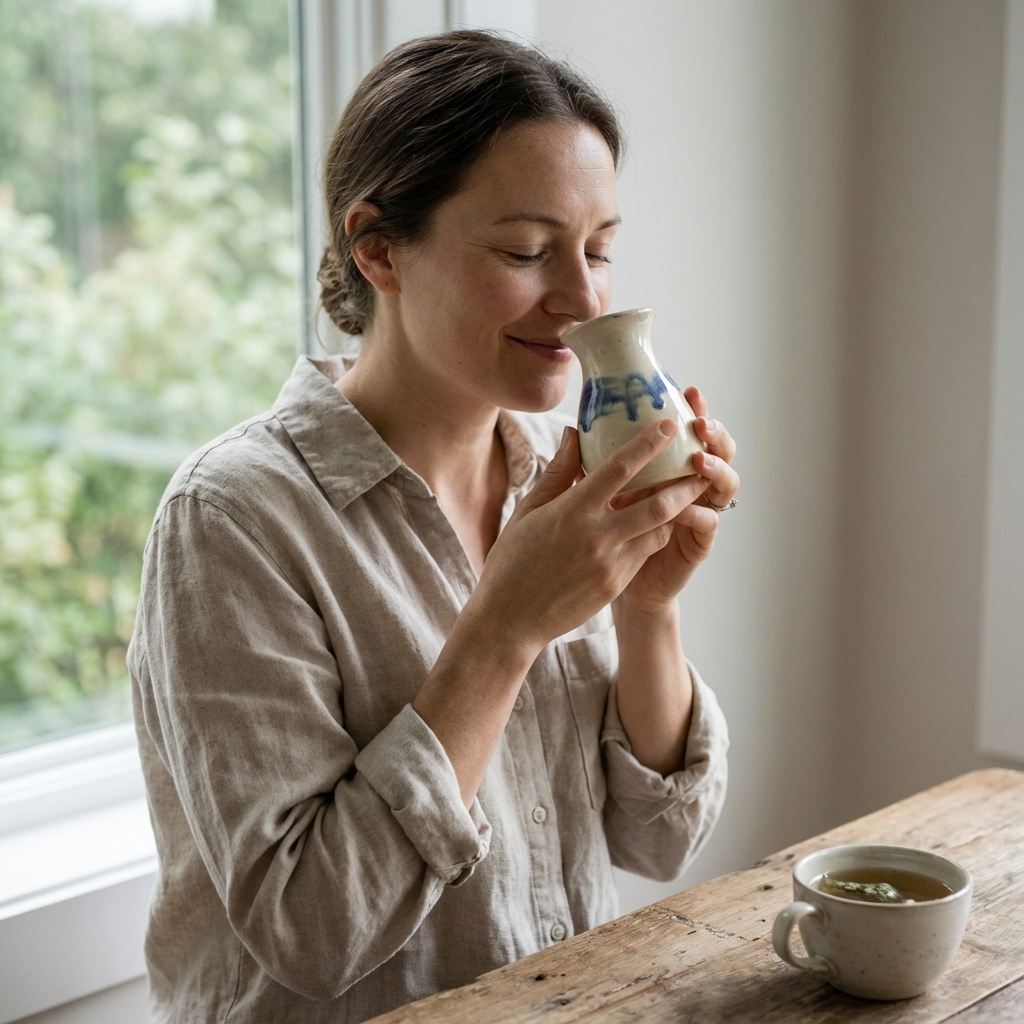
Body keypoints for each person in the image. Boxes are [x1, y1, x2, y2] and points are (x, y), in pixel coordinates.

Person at [128, 30, 739, 1024]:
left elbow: (658, 842)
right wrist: (502, 628)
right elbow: (309, 931)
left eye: (598, 248)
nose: (583, 298)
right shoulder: (235, 517)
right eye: (526, 250)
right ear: (376, 246)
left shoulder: (561, 473)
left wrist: (650, 604)